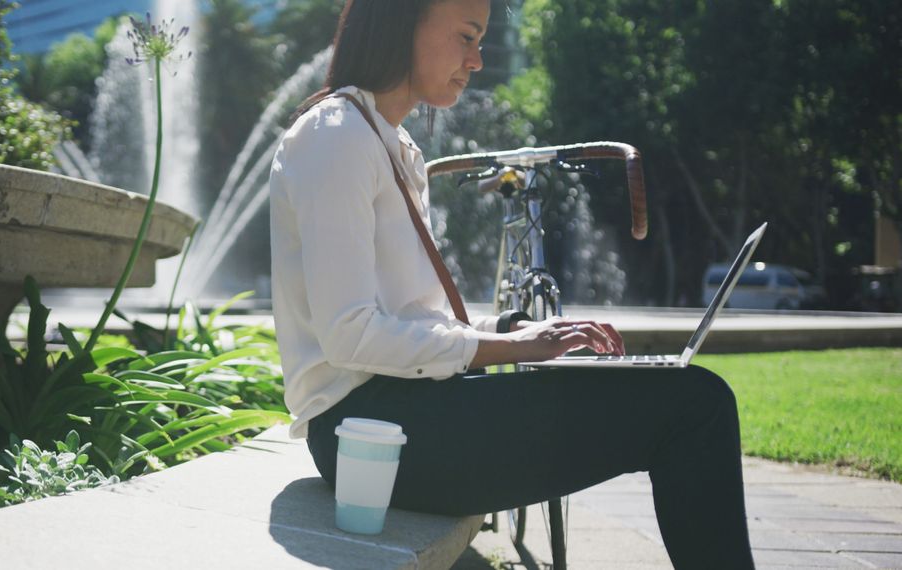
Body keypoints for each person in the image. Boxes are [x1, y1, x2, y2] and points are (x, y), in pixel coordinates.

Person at [268, 1, 756, 568]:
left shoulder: (393, 145)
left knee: (691, 398)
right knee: (695, 406)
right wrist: (506, 347)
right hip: (369, 437)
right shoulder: (336, 135)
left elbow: (410, 320)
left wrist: (516, 328)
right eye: (467, 37)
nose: (476, 60)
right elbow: (350, 336)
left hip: (405, 417)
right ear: (403, 22)